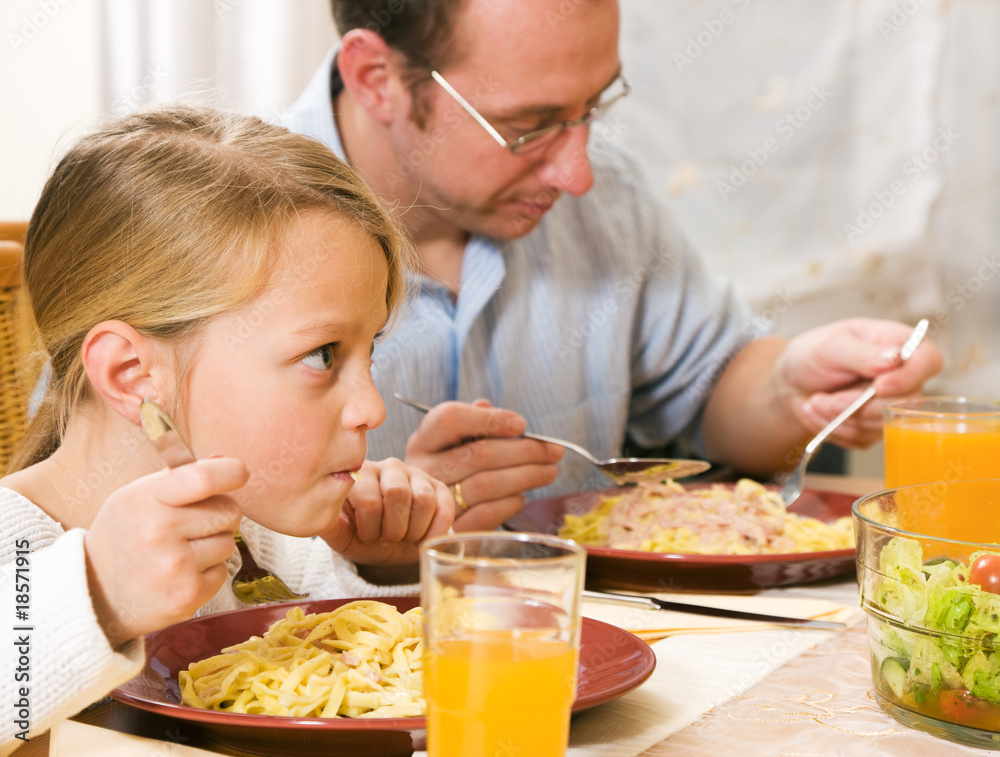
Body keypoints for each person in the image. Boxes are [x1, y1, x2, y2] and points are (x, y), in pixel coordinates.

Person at [283, 0, 943, 531]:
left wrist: (792, 389)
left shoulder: (610, 202)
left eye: (594, 106)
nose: (577, 173)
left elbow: (710, 391)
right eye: (530, 126)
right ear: (377, 78)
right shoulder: (228, 229)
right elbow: (215, 561)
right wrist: (376, 535)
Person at [0, 105, 454, 753]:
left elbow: (366, 673)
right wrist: (96, 595)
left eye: (368, 351)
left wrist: (381, 564)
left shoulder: (257, 533)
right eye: (323, 355)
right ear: (133, 374)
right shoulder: (15, 550)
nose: (371, 408)